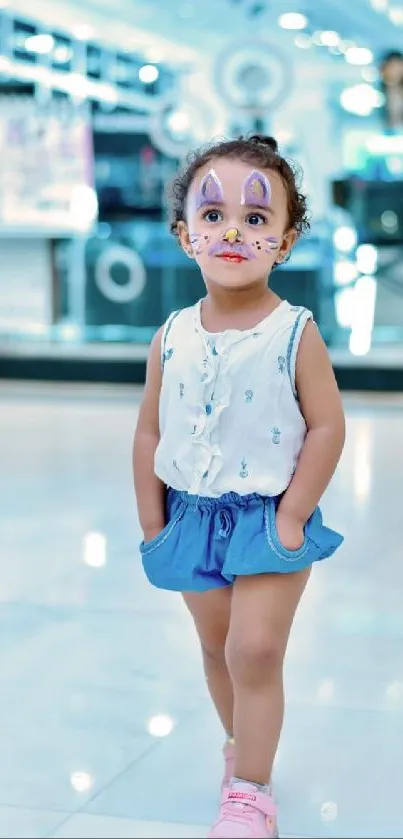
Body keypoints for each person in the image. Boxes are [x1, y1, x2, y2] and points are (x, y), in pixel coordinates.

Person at [133, 134, 345, 839]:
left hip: (267, 515)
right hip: (189, 514)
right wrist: (152, 519)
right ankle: (240, 749)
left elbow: (325, 426)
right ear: (183, 233)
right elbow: (147, 433)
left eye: (256, 219)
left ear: (284, 241)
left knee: (255, 647)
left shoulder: (294, 331)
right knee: (217, 643)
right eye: (214, 213)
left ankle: (250, 795)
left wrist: (292, 516)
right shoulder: (169, 333)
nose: (232, 230)